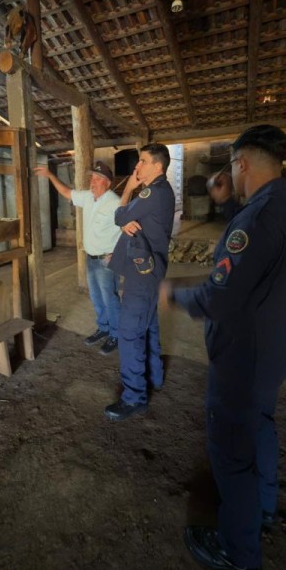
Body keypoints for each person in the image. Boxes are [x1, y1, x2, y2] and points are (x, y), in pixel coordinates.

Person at [159, 124, 286, 570]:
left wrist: (174, 295)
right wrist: (227, 205)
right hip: (277, 342)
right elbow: (259, 258)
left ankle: (239, 551)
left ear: (241, 163)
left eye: (233, 169)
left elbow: (219, 297)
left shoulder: (254, 222)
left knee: (229, 451)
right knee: (260, 425)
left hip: (244, 353)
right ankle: (263, 508)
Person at [104, 143, 175, 421]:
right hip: (149, 273)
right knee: (148, 326)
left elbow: (119, 215)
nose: (137, 166)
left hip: (141, 277)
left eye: (143, 161)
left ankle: (134, 398)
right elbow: (128, 220)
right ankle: (155, 377)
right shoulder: (161, 192)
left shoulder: (152, 192)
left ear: (158, 166)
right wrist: (126, 220)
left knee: (129, 333)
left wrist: (128, 190)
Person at [34, 160, 121, 354]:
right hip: (91, 258)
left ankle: (116, 334)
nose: (93, 181)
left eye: (98, 178)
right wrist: (50, 175)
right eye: (92, 177)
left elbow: (130, 229)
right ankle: (104, 328)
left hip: (107, 262)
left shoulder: (115, 203)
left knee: (110, 298)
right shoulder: (88, 197)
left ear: (107, 182)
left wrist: (118, 253)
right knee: (96, 297)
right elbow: (66, 192)